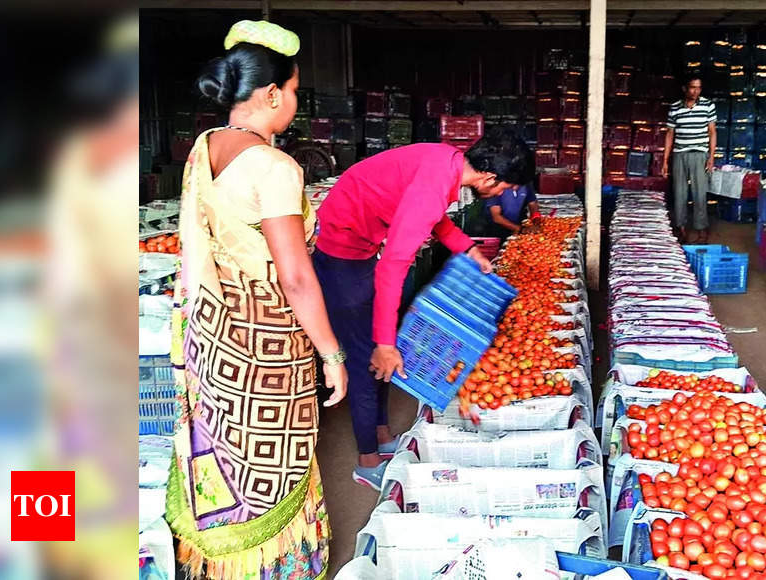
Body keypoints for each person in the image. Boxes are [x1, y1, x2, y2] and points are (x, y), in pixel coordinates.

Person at [166, 21, 346, 579]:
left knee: (220, 448)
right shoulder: (274, 167)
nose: (294, 101)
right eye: (293, 91)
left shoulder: (205, 147)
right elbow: (294, 277)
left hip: (212, 334)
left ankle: (216, 565)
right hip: (265, 343)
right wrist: (331, 354)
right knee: (270, 462)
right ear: (271, 95)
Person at [313, 128, 535, 489]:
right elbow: (392, 268)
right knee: (366, 354)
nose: (504, 195)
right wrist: (386, 344)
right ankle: (367, 460)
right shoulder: (434, 189)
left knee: (378, 353)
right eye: (505, 188)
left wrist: (468, 248)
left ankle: (382, 435)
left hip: (364, 242)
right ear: (489, 177)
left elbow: (436, 221)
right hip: (342, 251)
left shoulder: (446, 163)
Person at [662, 72, 717, 244]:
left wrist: (711, 157)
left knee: (700, 193)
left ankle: (701, 230)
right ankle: (681, 228)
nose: (695, 91)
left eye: (698, 88)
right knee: (680, 193)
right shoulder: (675, 108)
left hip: (700, 154)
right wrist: (665, 161)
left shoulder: (708, 106)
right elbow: (670, 134)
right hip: (679, 155)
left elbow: (712, 132)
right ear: (685, 88)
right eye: (692, 87)